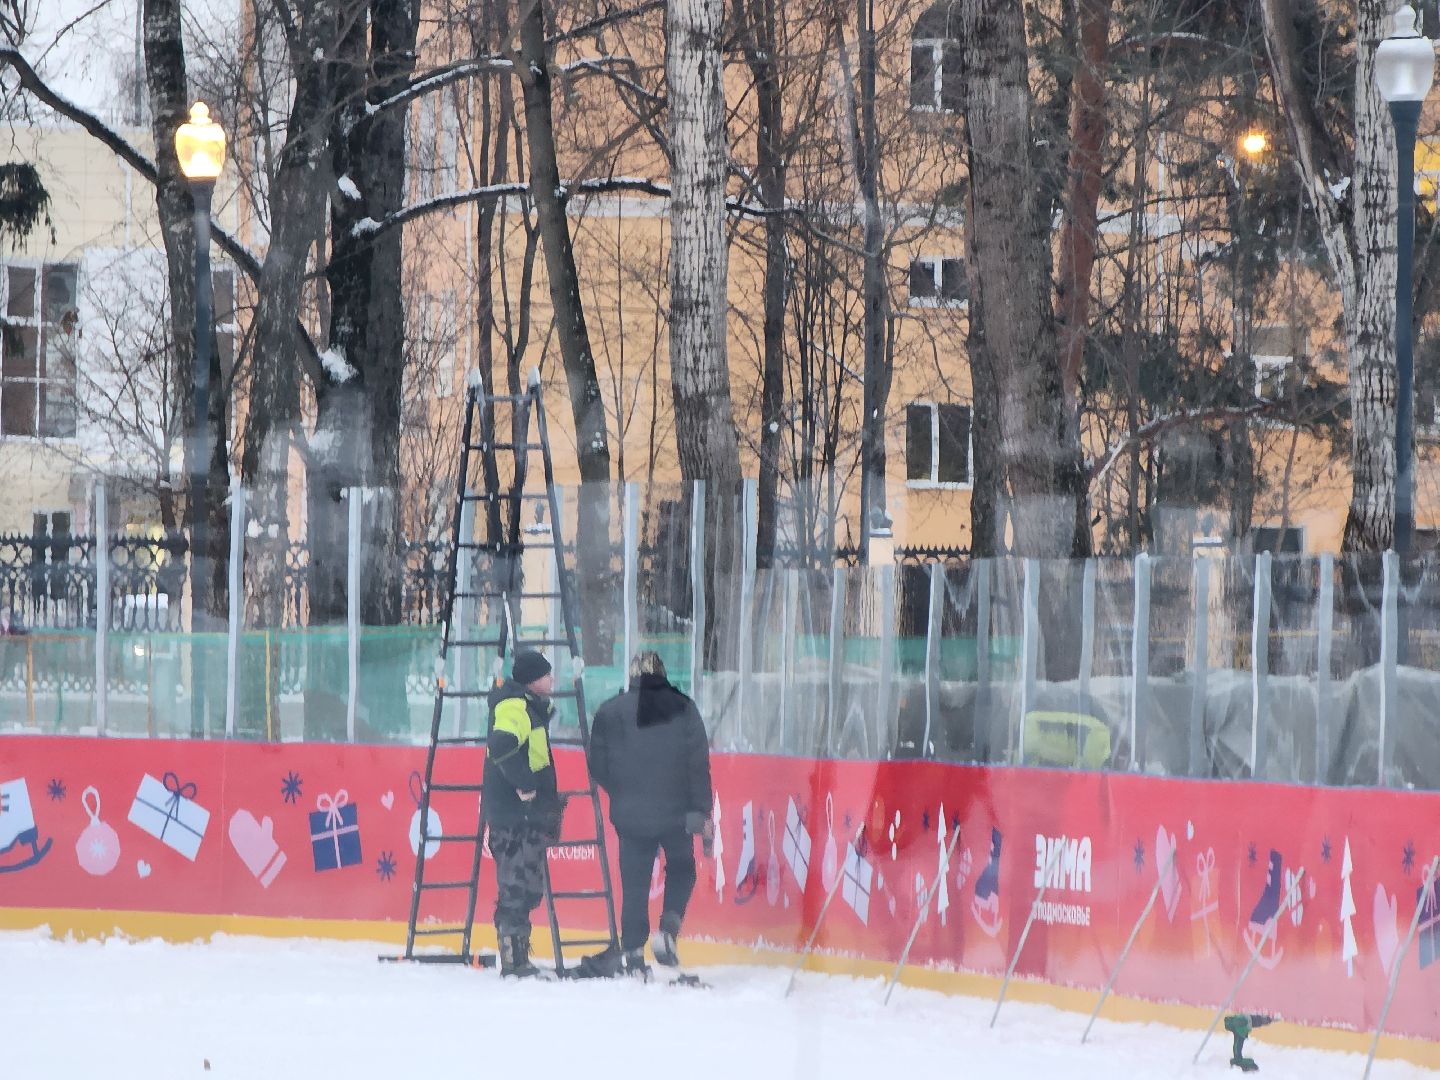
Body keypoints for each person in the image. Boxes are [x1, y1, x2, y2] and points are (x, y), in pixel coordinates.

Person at [588, 651, 712, 976]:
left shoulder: (609, 711)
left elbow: (596, 764)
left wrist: (620, 790)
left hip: (630, 813)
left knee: (634, 883)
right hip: (676, 813)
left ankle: (632, 953)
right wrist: (701, 810)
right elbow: (698, 764)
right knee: (683, 868)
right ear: (663, 674)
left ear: (631, 677)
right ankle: (668, 930)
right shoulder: (684, 708)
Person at [484, 648, 562, 978]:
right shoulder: (514, 706)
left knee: (529, 887)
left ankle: (520, 955)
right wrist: (524, 784)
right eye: (546, 674)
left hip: (527, 815)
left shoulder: (531, 707)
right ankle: (512, 959)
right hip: (512, 814)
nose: (552, 679)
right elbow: (501, 745)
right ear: (533, 680)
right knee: (515, 887)